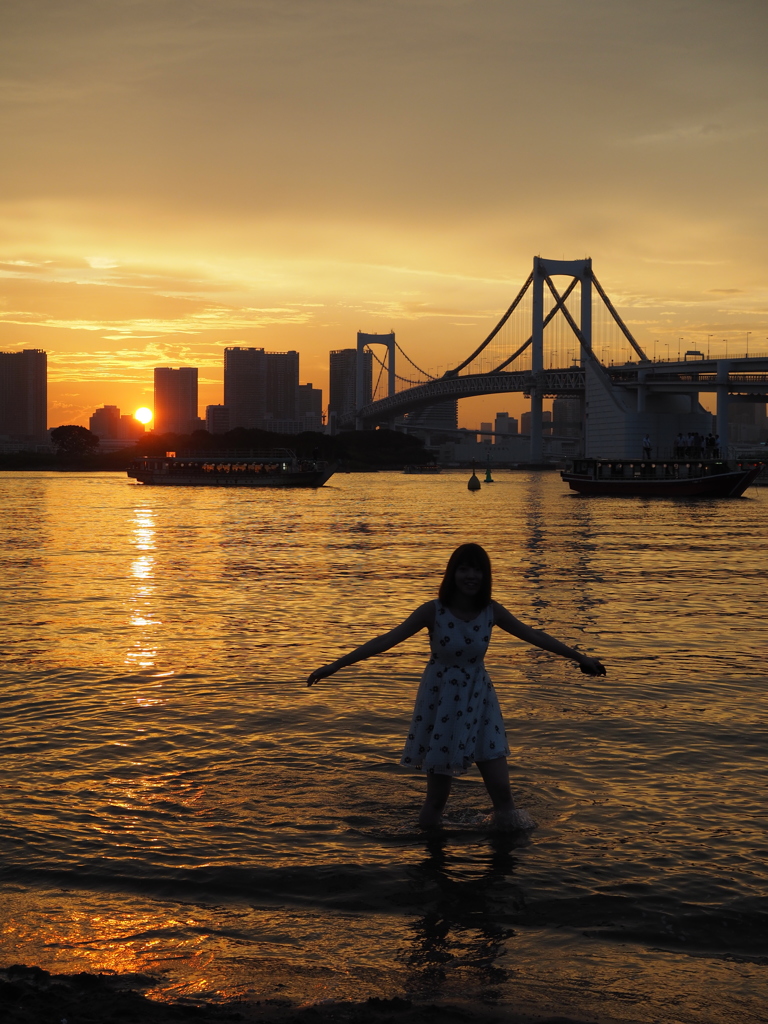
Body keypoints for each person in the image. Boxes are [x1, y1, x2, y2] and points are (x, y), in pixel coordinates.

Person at [307, 543, 605, 831]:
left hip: (481, 701)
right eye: (464, 569)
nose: (471, 576)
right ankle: (431, 857)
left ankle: (505, 864)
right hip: (442, 703)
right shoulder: (432, 611)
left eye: (478, 570)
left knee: (503, 796)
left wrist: (578, 656)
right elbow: (387, 640)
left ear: (486, 577)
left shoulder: (492, 611)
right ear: (452, 574)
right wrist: (336, 664)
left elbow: (533, 635)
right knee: (437, 800)